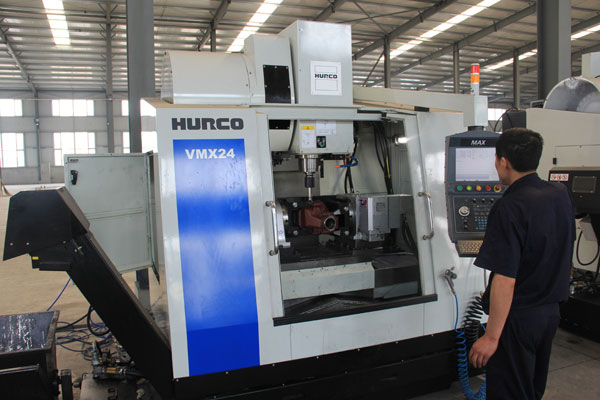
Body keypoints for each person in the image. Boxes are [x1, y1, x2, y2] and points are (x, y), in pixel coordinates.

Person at [468, 128, 575, 400]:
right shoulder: (559, 193)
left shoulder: (509, 207)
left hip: (517, 321)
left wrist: (491, 337)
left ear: (503, 161)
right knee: (531, 390)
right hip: (549, 314)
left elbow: (505, 278)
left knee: (510, 392)